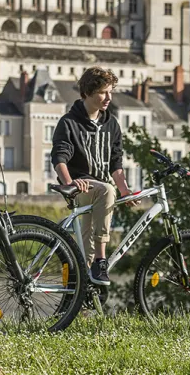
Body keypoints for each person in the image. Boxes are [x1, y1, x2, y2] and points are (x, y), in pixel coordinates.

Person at [52, 66, 137, 285]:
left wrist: (125, 190)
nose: (109, 98)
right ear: (87, 93)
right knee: (107, 190)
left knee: (86, 248)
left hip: (101, 189)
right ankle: (101, 260)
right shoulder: (69, 123)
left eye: (110, 92)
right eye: (102, 92)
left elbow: (116, 163)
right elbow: (59, 158)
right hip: (81, 186)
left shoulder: (111, 124)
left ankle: (82, 291)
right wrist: (70, 184)